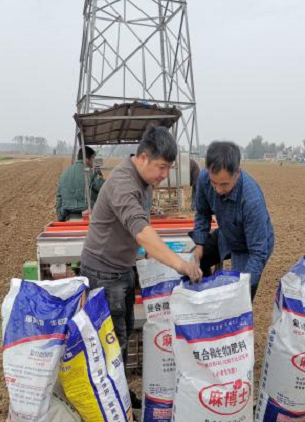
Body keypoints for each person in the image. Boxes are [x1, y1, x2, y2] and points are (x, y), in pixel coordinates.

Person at [80, 124, 201, 409]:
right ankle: (109, 404)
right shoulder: (124, 183)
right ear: (143, 157)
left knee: (122, 333)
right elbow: (141, 230)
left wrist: (148, 257)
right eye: (161, 167)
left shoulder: (145, 181)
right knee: (112, 342)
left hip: (121, 268)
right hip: (103, 272)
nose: (164, 175)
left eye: (169, 168)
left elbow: (143, 232)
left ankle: (118, 396)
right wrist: (180, 265)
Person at [191, 141, 274, 301]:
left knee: (240, 300)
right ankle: (204, 296)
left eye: (224, 184)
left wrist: (242, 286)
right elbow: (202, 213)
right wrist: (200, 244)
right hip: (227, 233)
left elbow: (258, 253)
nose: (218, 189)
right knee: (194, 263)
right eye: (214, 182)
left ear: (237, 173)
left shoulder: (251, 200)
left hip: (250, 247)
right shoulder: (203, 178)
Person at [55, 146, 104, 221]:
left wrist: (60, 218)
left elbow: (59, 196)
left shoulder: (65, 172)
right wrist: (99, 174)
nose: (93, 161)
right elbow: (104, 189)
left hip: (68, 216)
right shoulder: (91, 173)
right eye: (93, 158)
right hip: (89, 216)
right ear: (88, 158)